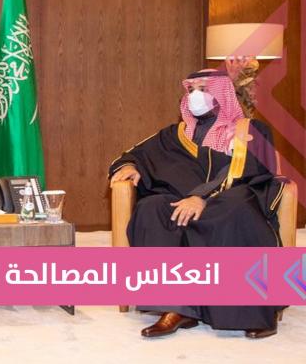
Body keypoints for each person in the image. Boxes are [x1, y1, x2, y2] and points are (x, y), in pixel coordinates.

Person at [109, 68, 285, 339]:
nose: (195, 95)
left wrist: (202, 197)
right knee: (152, 208)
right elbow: (132, 154)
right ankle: (177, 308)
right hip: (183, 202)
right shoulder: (174, 135)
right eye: (191, 90)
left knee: (235, 208)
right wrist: (130, 166)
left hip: (232, 199)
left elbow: (249, 172)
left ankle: (254, 311)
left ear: (222, 93)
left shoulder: (250, 130)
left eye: (203, 89)